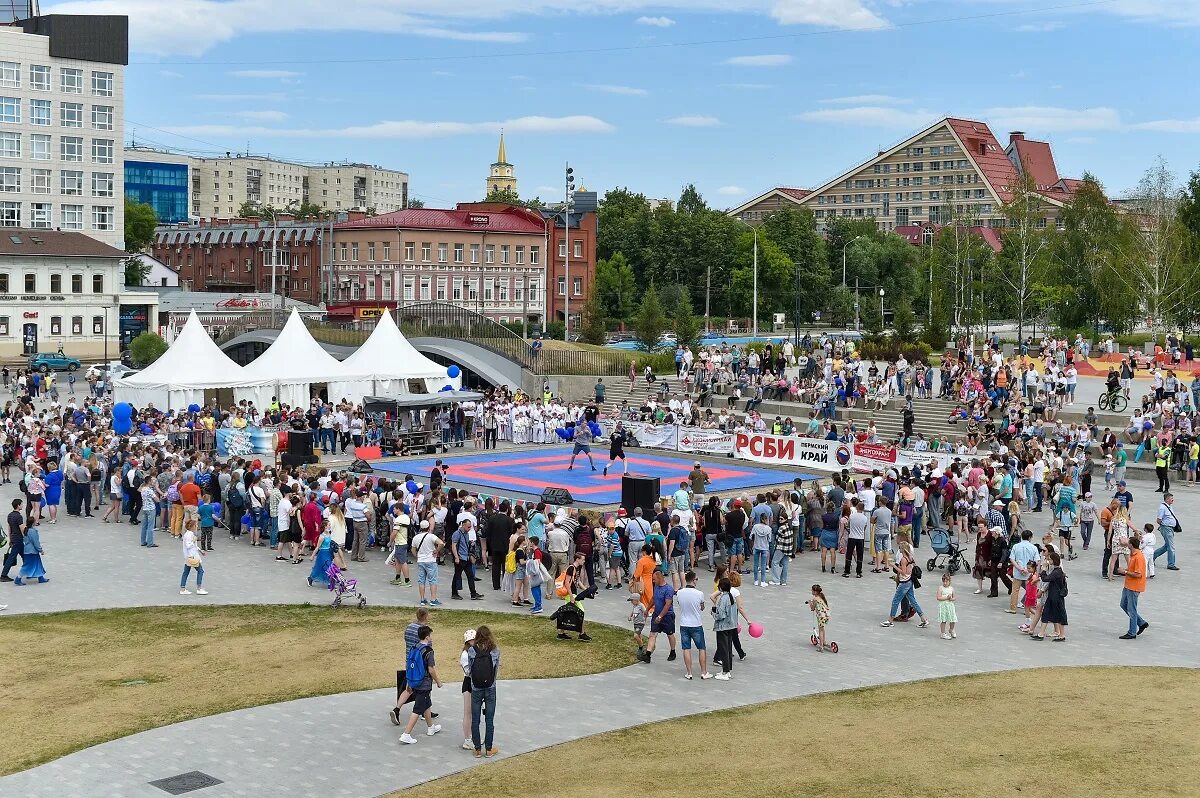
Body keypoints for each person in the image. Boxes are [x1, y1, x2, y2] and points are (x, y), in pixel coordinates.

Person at [399, 625, 443, 745]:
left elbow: (409, 665)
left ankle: (431, 728)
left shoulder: (414, 648)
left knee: (426, 704)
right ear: (427, 636)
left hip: (414, 681)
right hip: (424, 683)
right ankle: (406, 734)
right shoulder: (428, 651)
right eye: (430, 635)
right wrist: (438, 681)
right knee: (418, 709)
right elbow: (431, 669)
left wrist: (409, 681)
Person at [466, 625, 500, 758]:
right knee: (489, 719)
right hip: (490, 686)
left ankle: (477, 749)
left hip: (476, 687)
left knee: (475, 719)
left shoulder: (472, 650)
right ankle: (489, 749)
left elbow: (470, 669)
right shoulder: (495, 649)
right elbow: (496, 669)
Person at [881, 541, 928, 628]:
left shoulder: (903, 559)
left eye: (900, 548)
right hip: (910, 581)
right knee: (913, 601)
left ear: (902, 549)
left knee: (895, 601)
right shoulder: (910, 557)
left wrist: (893, 566)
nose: (899, 549)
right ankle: (924, 619)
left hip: (904, 582)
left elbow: (903, 572)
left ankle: (890, 620)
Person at [675, 571, 711, 680]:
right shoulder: (699, 593)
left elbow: (679, 604)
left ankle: (689, 672)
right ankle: (703, 672)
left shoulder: (679, 593)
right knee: (701, 648)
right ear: (694, 580)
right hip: (696, 624)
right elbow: (702, 607)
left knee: (686, 648)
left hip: (684, 623)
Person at [641, 569, 677, 664]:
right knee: (653, 634)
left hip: (667, 616)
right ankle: (648, 655)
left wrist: (660, 616)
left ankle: (673, 651)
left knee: (670, 634)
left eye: (654, 579)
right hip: (656, 613)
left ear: (660, 578)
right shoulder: (656, 586)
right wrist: (647, 609)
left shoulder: (669, 589)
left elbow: (668, 604)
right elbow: (653, 598)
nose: (653, 581)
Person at [1119, 531, 1150, 639]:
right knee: (1123, 604)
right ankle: (1141, 622)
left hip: (1134, 586)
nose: (1127, 544)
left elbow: (1138, 574)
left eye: (1128, 542)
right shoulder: (1133, 554)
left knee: (1132, 609)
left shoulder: (1138, 557)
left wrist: (1125, 572)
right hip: (1128, 585)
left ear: (1131, 545)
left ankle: (1132, 632)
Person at [1036, 550, 1069, 642]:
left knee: (1059, 615)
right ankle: (1041, 634)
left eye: (1050, 560)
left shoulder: (1057, 572)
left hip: (1056, 597)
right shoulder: (1057, 571)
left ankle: (1061, 635)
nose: (1048, 561)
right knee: (1046, 614)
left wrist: (1043, 570)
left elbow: (1046, 579)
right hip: (1053, 596)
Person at [450, 517, 483, 601]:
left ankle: (473, 593)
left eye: (470, 527)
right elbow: (453, 546)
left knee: (470, 576)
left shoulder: (466, 533)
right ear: (463, 525)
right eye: (468, 527)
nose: (469, 529)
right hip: (460, 558)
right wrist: (456, 557)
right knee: (457, 576)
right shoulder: (457, 533)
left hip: (466, 558)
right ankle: (454, 593)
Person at [711, 577, 737, 680]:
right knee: (728, 648)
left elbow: (721, 614)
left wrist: (713, 613)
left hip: (722, 627)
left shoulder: (723, 598)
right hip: (731, 626)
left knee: (723, 649)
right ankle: (727, 669)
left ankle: (725, 671)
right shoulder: (731, 596)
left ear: (721, 587)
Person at [413, 520, 444, 606]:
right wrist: (436, 551)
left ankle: (422, 599)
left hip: (421, 561)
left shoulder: (416, 538)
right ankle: (433, 599)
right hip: (431, 560)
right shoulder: (431, 536)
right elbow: (441, 543)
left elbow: (413, 550)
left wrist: (417, 556)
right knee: (433, 580)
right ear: (428, 527)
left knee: (421, 580)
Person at [179, 518, 208, 595]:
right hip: (192, 556)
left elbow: (194, 546)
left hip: (188, 557)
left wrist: (200, 551)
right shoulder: (189, 535)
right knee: (200, 571)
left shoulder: (188, 534)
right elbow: (189, 546)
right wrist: (194, 540)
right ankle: (199, 588)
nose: (197, 526)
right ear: (192, 526)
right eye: (196, 525)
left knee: (186, 572)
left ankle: (182, 588)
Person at [1154, 492, 1181, 571]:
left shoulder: (1169, 506)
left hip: (1170, 528)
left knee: (1167, 546)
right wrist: (1164, 526)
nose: (1173, 500)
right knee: (1171, 547)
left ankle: (1152, 557)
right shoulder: (1162, 507)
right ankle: (1171, 564)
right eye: (1171, 498)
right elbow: (1159, 520)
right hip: (1166, 528)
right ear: (1166, 499)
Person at [15, 520, 47, 586]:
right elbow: (36, 542)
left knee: (38, 564)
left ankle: (41, 577)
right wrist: (40, 550)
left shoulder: (26, 530)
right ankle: (18, 579)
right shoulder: (32, 531)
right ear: (33, 523)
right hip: (32, 551)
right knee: (27, 566)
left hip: (27, 550)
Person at [1, 498, 24, 582]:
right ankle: (4, 575)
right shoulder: (19, 517)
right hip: (19, 539)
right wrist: (26, 537)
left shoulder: (10, 515)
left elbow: (9, 527)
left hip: (14, 538)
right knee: (12, 557)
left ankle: (29, 571)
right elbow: (22, 529)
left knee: (25, 556)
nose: (22, 505)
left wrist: (10, 539)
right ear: (18, 506)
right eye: (21, 504)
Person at [807, 584, 832, 652]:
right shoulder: (821, 596)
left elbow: (813, 608)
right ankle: (824, 642)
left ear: (815, 592)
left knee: (820, 630)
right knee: (822, 629)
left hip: (821, 616)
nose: (811, 591)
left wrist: (810, 603)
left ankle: (821, 647)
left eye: (812, 590)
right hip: (826, 615)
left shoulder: (815, 599)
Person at [937, 573, 957, 640]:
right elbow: (938, 597)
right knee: (943, 620)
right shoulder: (940, 588)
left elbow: (954, 598)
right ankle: (943, 633)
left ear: (949, 581)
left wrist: (951, 599)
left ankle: (951, 629)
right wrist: (946, 597)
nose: (945, 583)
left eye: (946, 581)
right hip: (943, 606)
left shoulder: (951, 588)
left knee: (953, 619)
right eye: (944, 581)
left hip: (950, 606)